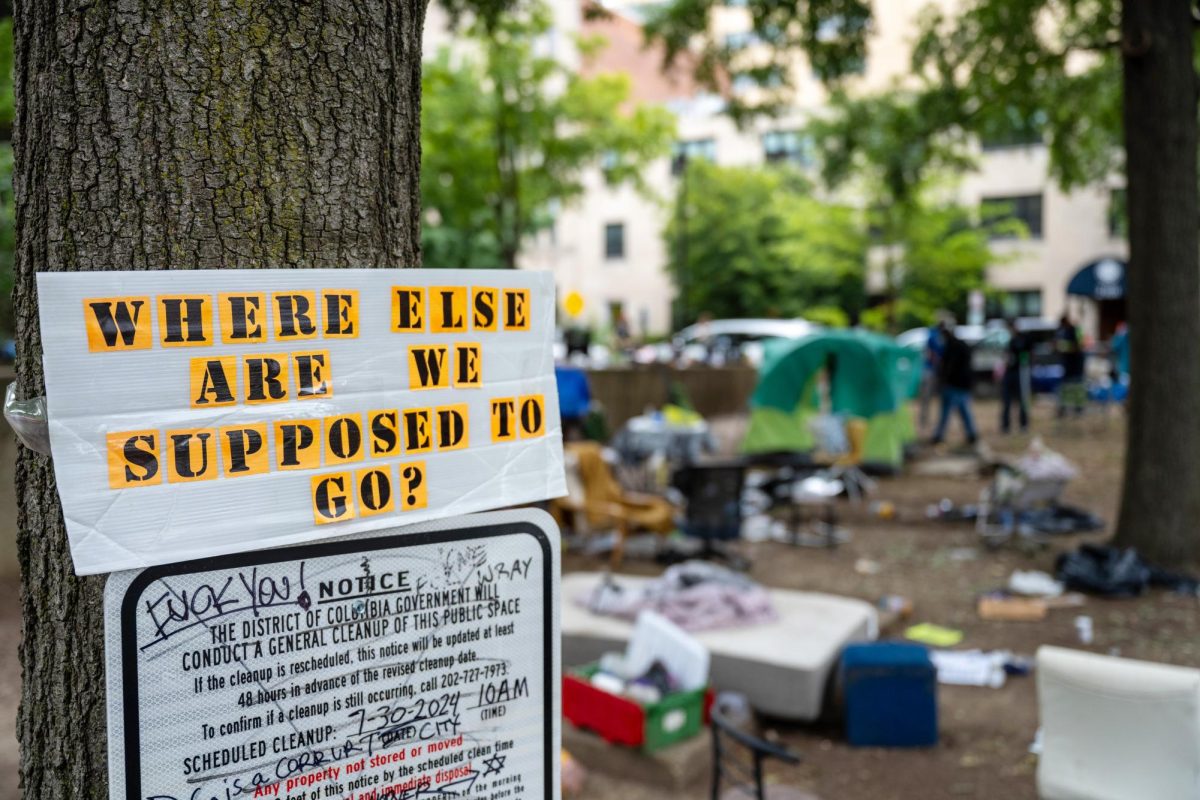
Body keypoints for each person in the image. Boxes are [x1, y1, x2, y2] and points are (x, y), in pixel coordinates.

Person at [931, 319, 978, 446]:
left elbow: (949, 367)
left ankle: (940, 435)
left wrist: (943, 379)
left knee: (950, 411)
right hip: (959, 384)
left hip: (955, 384)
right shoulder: (958, 346)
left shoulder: (953, 347)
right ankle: (971, 434)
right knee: (962, 410)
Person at [918, 312, 948, 435]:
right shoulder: (933, 335)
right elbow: (930, 353)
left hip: (937, 371)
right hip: (931, 370)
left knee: (941, 398)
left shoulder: (941, 336)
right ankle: (925, 420)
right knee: (927, 397)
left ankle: (934, 422)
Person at [1000, 318, 1031, 433]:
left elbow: (1028, 355)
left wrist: (1024, 364)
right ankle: (1005, 426)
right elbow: (1006, 355)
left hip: (1020, 372)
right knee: (1006, 400)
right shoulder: (1009, 340)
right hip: (1010, 372)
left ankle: (1023, 424)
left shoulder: (1023, 339)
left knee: (1022, 399)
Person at [1056, 313, 1085, 417]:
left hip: (1076, 365)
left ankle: (1078, 408)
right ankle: (1064, 408)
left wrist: (1063, 347)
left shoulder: (1073, 330)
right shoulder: (1063, 332)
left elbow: (1077, 346)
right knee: (1066, 387)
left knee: (1077, 386)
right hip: (1067, 365)